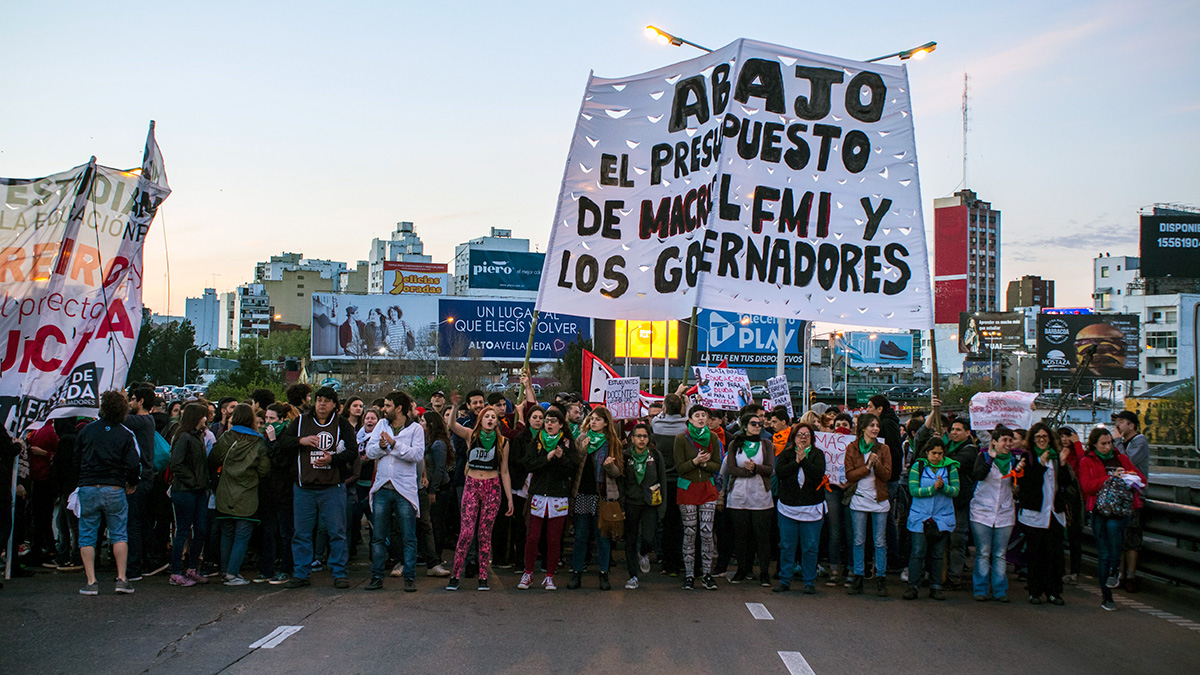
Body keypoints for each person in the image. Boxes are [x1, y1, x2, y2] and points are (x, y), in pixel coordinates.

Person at [277, 386, 359, 589]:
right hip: (304, 487)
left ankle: (339, 572)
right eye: (319, 399)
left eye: (326, 400)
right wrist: (301, 440)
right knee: (302, 533)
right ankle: (301, 573)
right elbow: (283, 443)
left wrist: (333, 458)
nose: (322, 403)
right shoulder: (301, 421)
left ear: (334, 405)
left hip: (332, 486)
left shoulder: (341, 424)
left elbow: (352, 451)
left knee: (337, 531)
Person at [75, 390, 142, 596]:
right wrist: (132, 482)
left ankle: (91, 581)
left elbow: (76, 457)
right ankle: (122, 578)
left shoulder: (87, 431)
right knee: (119, 533)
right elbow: (133, 463)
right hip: (114, 487)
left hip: (88, 485)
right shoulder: (125, 433)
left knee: (87, 533)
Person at [1079, 427, 1146, 611]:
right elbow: (1086, 487)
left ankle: (1116, 568)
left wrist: (1129, 476)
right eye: (1103, 444)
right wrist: (1108, 478)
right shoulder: (1087, 461)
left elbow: (1141, 480)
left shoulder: (1121, 458)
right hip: (1099, 510)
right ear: (1094, 444)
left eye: (1110, 442)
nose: (1108, 447)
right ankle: (1106, 596)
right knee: (1104, 555)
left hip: (1120, 510)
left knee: (1114, 531)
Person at [448, 407, 514, 591]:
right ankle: (455, 574)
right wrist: (454, 407)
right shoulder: (471, 435)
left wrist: (509, 498)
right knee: (467, 532)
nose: (490, 419)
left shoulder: (503, 442)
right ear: (481, 419)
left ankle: (483, 576)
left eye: (493, 417)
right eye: (487, 416)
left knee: (485, 534)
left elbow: (505, 471)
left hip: (492, 487)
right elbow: (452, 425)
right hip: (472, 485)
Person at [364, 391, 424, 592]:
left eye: (388, 405)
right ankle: (377, 577)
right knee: (378, 536)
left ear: (399, 408)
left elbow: (417, 455)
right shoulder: (381, 425)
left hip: (404, 490)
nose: (384, 409)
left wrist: (394, 444)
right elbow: (369, 451)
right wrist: (382, 447)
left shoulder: (415, 429)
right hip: (382, 486)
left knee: (409, 536)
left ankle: (409, 577)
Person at [208, 404, 270, 586]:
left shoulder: (226, 437)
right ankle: (232, 574)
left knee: (227, 533)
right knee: (242, 535)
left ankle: (226, 570)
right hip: (247, 493)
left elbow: (213, 459)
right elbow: (264, 469)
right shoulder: (258, 442)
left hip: (225, 491)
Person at [518, 408, 576, 590]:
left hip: (558, 496)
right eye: (547, 421)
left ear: (561, 425)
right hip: (538, 494)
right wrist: (547, 458)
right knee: (533, 536)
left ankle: (549, 576)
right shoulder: (537, 442)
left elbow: (572, 469)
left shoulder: (566, 443)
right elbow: (529, 464)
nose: (549, 424)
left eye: (553, 421)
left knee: (553, 539)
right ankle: (528, 574)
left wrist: (560, 458)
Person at [569, 405, 625, 590]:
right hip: (583, 493)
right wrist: (581, 451)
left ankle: (604, 574)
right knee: (581, 535)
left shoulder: (612, 443)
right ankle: (576, 573)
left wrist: (610, 466)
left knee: (602, 537)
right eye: (591, 419)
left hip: (602, 495)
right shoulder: (582, 438)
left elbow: (618, 472)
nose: (593, 422)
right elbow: (574, 464)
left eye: (598, 419)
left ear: (606, 422)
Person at [1018, 422, 1068, 606]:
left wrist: (1061, 464)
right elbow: (1028, 484)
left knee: (1053, 555)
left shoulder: (1056, 458)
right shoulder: (1028, 457)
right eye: (1038, 437)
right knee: (1035, 555)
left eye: (1044, 437)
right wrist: (1040, 464)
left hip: (1054, 513)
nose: (1041, 440)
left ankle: (1054, 591)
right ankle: (1035, 591)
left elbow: (1066, 483)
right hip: (1035, 514)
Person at [902, 438, 959, 601]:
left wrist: (945, 488)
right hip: (920, 516)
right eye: (934, 453)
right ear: (927, 452)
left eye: (940, 453)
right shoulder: (918, 466)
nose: (937, 457)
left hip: (942, 517)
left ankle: (936, 587)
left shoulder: (951, 467)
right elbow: (913, 490)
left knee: (937, 554)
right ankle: (913, 586)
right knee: (918, 552)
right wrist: (932, 489)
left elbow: (956, 491)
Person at [674, 404, 723, 591]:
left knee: (707, 532)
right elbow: (679, 467)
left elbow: (717, 464)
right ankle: (688, 575)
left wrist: (704, 465)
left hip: (707, 489)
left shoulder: (713, 437)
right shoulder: (681, 438)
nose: (701, 418)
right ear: (690, 419)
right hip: (687, 489)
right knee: (689, 532)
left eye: (704, 415)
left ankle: (707, 575)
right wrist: (695, 461)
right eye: (697, 415)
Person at [774, 422, 826, 594]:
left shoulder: (818, 454)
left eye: (807, 435)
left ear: (812, 438)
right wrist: (796, 461)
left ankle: (809, 582)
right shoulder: (786, 454)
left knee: (810, 547)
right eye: (799, 435)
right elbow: (781, 472)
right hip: (788, 508)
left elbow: (818, 474)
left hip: (811, 508)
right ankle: (784, 579)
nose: (803, 438)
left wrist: (804, 460)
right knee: (787, 545)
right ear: (793, 438)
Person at [969, 425, 1020, 602]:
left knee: (1000, 554)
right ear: (994, 442)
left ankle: (1000, 590)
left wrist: (1017, 486)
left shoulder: (1015, 462)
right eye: (1004, 440)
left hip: (1004, 512)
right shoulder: (983, 457)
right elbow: (978, 475)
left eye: (1010, 440)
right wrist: (990, 460)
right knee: (983, 551)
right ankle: (980, 588)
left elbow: (1018, 487)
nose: (1008, 444)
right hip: (982, 511)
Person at [724, 413, 775, 587]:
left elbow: (769, 469)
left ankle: (764, 572)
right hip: (739, 496)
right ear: (745, 426)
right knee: (741, 536)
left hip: (760, 496)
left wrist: (756, 468)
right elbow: (731, 469)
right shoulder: (734, 444)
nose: (757, 426)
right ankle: (742, 569)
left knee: (762, 536)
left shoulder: (766, 444)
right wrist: (749, 472)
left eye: (760, 424)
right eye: (753, 423)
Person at [844, 412, 892, 597]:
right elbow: (850, 475)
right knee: (858, 540)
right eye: (872, 425)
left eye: (877, 426)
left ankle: (881, 577)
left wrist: (877, 464)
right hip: (859, 498)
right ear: (863, 428)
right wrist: (867, 467)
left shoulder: (883, 449)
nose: (875, 429)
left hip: (879, 499)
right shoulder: (853, 448)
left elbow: (887, 475)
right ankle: (858, 576)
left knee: (880, 541)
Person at [168, 403, 212, 588]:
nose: (206, 418)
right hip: (187, 490)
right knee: (184, 530)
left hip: (198, 489)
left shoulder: (196, 436)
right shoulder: (185, 437)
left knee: (200, 529)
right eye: (203, 416)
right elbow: (176, 464)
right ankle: (176, 571)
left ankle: (192, 567)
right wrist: (194, 480)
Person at [620, 422, 666, 590]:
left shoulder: (655, 455)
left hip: (650, 503)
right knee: (630, 539)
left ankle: (644, 553)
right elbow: (621, 482)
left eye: (644, 436)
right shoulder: (625, 456)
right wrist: (621, 506)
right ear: (632, 438)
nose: (641, 439)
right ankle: (633, 576)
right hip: (631, 502)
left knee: (648, 537)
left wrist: (662, 507)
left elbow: (662, 480)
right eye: (638, 436)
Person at [256, 403, 294, 584]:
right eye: (267, 419)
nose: (268, 422)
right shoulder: (263, 438)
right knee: (268, 531)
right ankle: (267, 569)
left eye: (272, 418)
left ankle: (286, 569)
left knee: (286, 532)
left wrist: (273, 441)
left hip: (284, 490)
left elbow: (281, 461)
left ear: (282, 419)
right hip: (268, 491)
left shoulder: (286, 437)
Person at [1112, 410, 1149, 592]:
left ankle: (1130, 576)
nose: (1118, 425)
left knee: (1132, 538)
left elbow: (1126, 461)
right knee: (1120, 537)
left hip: (1134, 497)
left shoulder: (1139, 441)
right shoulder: (1124, 442)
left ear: (1131, 425)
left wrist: (1117, 441)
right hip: (1118, 496)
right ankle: (1119, 574)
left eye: (1121, 421)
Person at [651, 394, 687, 576]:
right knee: (681, 523)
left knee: (665, 523)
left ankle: (666, 562)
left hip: (664, 480)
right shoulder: (686, 426)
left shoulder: (657, 425)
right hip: (682, 480)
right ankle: (679, 560)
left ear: (664, 409)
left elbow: (656, 417)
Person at [943, 419, 979, 589]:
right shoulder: (946, 446)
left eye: (958, 429)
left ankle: (954, 576)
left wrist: (940, 456)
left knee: (957, 539)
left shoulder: (970, 451)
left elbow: (953, 464)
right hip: (943, 499)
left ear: (968, 433)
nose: (954, 432)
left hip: (959, 500)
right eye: (952, 429)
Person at [419, 410, 453, 577]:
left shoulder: (438, 444)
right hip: (431, 487)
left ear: (430, 424)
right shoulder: (428, 440)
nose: (420, 423)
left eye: (423, 421)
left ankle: (437, 558)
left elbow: (440, 469)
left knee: (437, 524)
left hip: (440, 489)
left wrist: (433, 490)